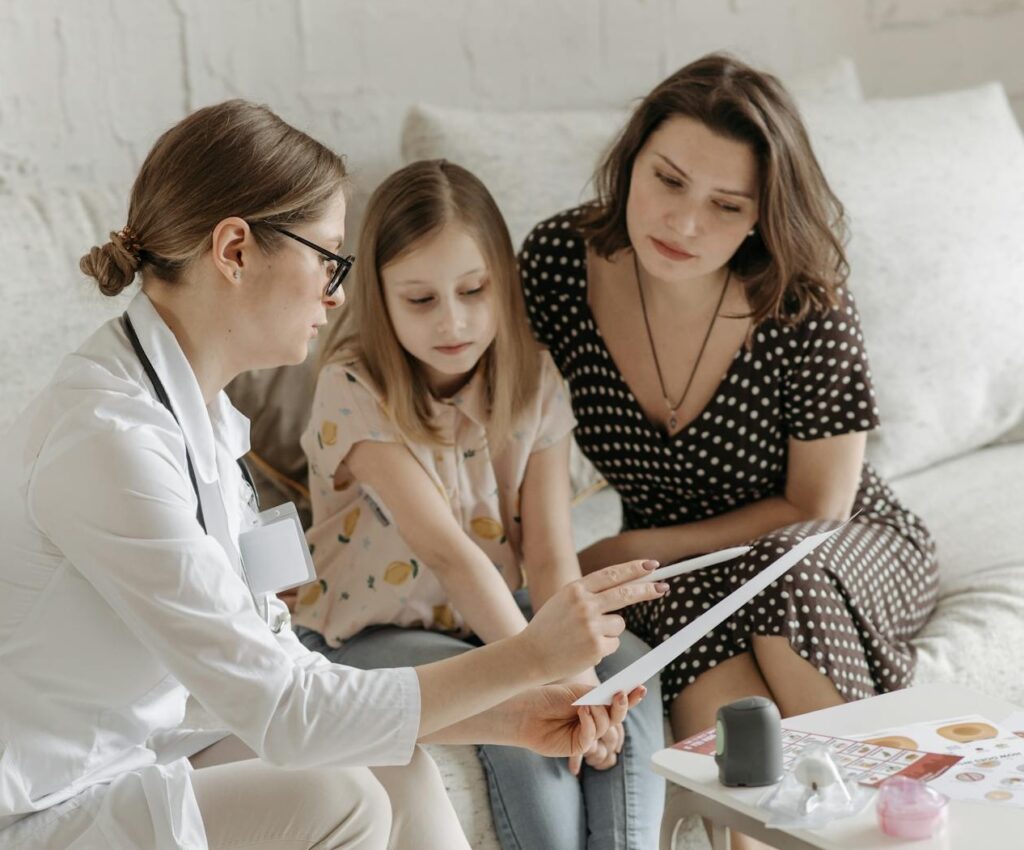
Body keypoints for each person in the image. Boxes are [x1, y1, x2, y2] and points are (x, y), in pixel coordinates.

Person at [0, 100, 667, 850]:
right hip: (42, 800)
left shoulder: (207, 419)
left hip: (132, 753)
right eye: (327, 259)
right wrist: (527, 659)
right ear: (234, 251)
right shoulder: (109, 442)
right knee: (337, 797)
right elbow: (285, 711)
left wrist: (512, 715)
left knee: (394, 764)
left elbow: (275, 655)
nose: (339, 293)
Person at [519, 54, 938, 849]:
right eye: (668, 180)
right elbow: (508, 424)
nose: (682, 224)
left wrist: (627, 548)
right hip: (684, 579)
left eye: (725, 205)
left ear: (760, 215)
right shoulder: (556, 266)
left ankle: (880, 828)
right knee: (737, 746)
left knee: (784, 582)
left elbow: (820, 506)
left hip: (828, 545)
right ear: (631, 159)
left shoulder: (802, 295)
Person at [290, 158, 666, 850]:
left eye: (472, 290)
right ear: (380, 296)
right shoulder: (352, 384)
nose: (453, 321)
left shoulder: (534, 380)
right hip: (373, 630)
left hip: (497, 612)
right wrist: (546, 672)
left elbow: (551, 555)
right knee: (517, 712)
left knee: (630, 678)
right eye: (421, 300)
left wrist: (584, 681)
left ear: (503, 281)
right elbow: (450, 555)